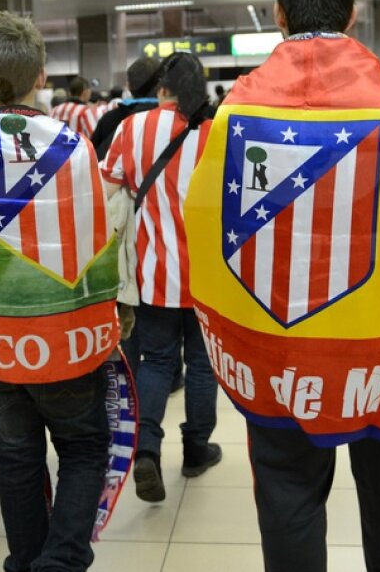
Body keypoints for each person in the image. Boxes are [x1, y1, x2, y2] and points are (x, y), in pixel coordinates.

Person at [182, 0, 380, 572]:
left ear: (279, 15)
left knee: (286, 495)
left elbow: (202, 222)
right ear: (354, 14)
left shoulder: (236, 112)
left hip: (279, 354)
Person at [0, 12, 118, 571]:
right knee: (83, 448)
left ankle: (25, 561)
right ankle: (60, 561)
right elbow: (95, 243)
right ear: (43, 74)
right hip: (63, 334)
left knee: (15, 458)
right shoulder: (75, 146)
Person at [101, 52, 221, 503]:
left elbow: (106, 185)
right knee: (203, 366)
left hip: (154, 274)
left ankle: (147, 449)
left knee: (156, 362)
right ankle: (196, 450)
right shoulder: (215, 132)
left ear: (161, 86)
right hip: (208, 278)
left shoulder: (132, 129)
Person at [91, 57, 162, 159]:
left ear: (129, 86)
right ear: (162, 84)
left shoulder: (109, 120)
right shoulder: (179, 120)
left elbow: (94, 159)